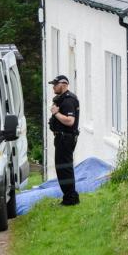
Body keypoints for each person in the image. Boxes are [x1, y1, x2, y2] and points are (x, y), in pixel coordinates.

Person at [49, 75, 80, 206]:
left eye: (56, 84)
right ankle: (70, 196)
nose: (54, 87)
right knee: (62, 169)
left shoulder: (68, 100)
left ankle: (70, 199)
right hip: (62, 138)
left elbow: (70, 121)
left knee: (65, 168)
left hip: (65, 138)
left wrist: (56, 113)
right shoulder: (62, 99)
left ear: (64, 84)